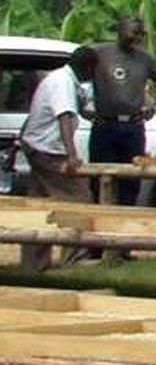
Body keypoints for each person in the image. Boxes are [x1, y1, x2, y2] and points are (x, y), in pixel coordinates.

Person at [16, 46, 98, 268]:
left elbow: (77, 111)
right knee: (79, 200)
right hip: (49, 151)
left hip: (36, 148)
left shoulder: (63, 80)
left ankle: (33, 263)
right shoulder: (62, 83)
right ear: (87, 67)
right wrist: (71, 156)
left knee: (40, 207)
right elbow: (64, 116)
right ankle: (75, 258)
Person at [89, 17, 156, 206]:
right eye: (131, 32)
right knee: (99, 177)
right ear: (119, 31)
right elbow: (74, 71)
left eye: (138, 33)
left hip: (132, 127)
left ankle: (126, 217)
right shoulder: (99, 53)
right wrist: (82, 106)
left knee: (131, 178)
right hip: (105, 125)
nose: (134, 37)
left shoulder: (145, 59)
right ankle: (100, 217)